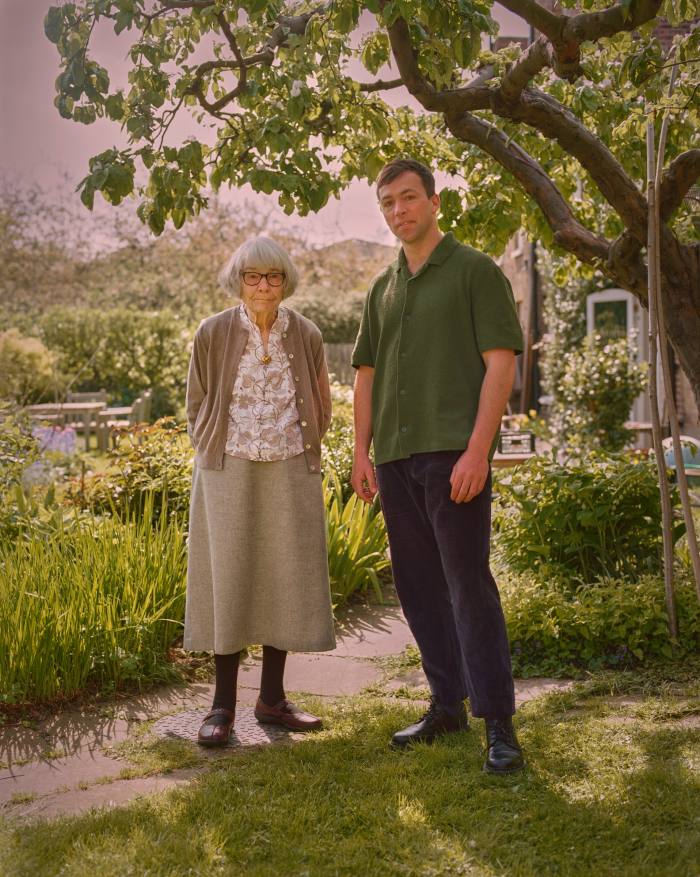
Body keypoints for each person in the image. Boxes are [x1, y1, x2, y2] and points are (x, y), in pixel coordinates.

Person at [351, 159, 525, 774]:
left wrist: (478, 450)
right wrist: (360, 455)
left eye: (409, 198)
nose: (400, 211)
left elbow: (500, 365)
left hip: (454, 456)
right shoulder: (383, 287)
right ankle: (446, 703)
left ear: (434, 200)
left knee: (467, 587)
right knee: (418, 588)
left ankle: (499, 725)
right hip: (394, 460)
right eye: (389, 204)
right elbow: (366, 376)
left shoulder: (476, 271)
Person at [185, 235, 335, 747]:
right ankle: (220, 705)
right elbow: (196, 402)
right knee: (229, 577)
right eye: (253, 276)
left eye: (273, 276)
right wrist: (214, 448)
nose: (264, 286)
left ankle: (272, 699)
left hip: (291, 464)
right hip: (227, 468)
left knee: (283, 575)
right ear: (239, 281)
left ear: (285, 281)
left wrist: (298, 443)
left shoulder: (307, 333)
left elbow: (321, 401)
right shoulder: (212, 332)